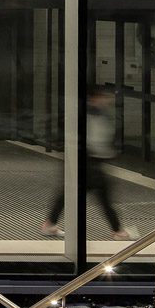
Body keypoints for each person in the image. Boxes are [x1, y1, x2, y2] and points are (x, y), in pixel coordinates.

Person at [43, 86, 124, 239]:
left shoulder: (99, 114)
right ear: (94, 98)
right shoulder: (88, 114)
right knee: (102, 194)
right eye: (104, 97)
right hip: (87, 161)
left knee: (71, 192)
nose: (107, 100)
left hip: (88, 161)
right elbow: (90, 138)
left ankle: (50, 223)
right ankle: (118, 230)